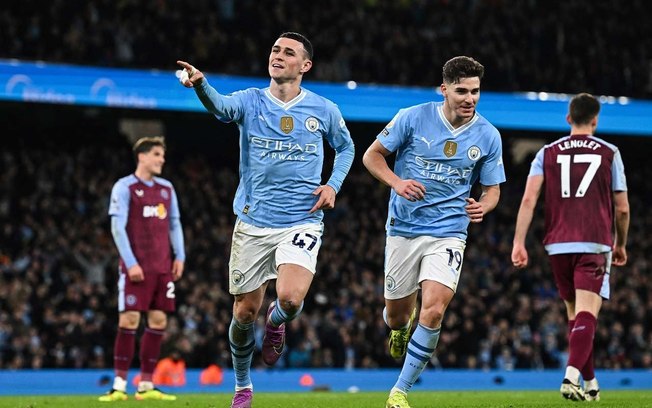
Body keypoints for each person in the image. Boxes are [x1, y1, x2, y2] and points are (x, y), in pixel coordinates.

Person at [177, 31, 355, 408]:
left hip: (301, 220)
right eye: (274, 49)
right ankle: (243, 386)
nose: (278, 55)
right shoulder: (250, 101)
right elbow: (221, 108)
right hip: (254, 222)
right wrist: (201, 84)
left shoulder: (323, 109)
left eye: (288, 52)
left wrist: (333, 185)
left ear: (305, 66)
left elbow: (346, 147)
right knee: (243, 313)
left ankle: (277, 322)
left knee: (289, 299)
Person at [363, 56, 506, 408]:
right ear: (444, 90)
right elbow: (372, 156)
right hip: (405, 228)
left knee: (435, 310)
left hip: (449, 231)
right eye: (461, 91)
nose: (469, 98)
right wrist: (396, 182)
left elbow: (492, 190)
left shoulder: (488, 135)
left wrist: (483, 206)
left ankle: (399, 391)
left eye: (475, 91)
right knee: (397, 314)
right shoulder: (412, 117)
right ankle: (398, 327)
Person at [511, 93, 629, 401]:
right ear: (595, 120)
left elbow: (528, 199)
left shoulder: (547, 153)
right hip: (593, 241)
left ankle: (589, 383)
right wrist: (621, 244)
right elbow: (623, 209)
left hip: (558, 244)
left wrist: (518, 242)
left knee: (575, 315)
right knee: (589, 312)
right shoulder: (610, 152)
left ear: (567, 119)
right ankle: (570, 376)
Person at [99, 136, 185, 402]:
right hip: (136, 266)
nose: (162, 160)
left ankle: (146, 385)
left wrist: (179, 255)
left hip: (162, 267)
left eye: (162, 155)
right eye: (157, 154)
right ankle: (119, 385)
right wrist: (131, 262)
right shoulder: (125, 187)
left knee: (158, 321)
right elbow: (117, 227)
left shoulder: (166, 189)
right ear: (143, 156)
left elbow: (174, 225)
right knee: (129, 320)